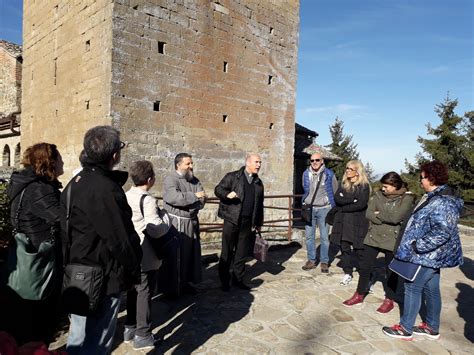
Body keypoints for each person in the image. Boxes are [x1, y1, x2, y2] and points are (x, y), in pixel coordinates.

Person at [61, 126, 142, 354]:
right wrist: (134, 269)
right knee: (98, 341)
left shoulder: (73, 184)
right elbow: (120, 238)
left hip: (76, 271)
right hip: (104, 276)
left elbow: (64, 232)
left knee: (77, 337)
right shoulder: (106, 189)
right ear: (114, 155)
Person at [382, 161, 463, 340]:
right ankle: (431, 327)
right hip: (430, 254)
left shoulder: (443, 201)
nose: (420, 181)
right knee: (431, 288)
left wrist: (417, 246)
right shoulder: (433, 196)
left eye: (422, 178)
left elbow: (442, 232)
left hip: (428, 254)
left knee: (412, 286)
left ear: (432, 178)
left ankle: (405, 328)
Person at [1, 143, 64, 345]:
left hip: (22, 252)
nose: (63, 162)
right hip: (38, 259)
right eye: (60, 159)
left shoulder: (22, 183)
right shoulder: (39, 190)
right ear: (50, 162)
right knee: (36, 323)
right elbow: (62, 219)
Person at [342, 172, 414, 312]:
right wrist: (385, 216)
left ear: (395, 185)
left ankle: (390, 298)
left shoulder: (407, 198)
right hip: (373, 236)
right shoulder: (378, 195)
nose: (384, 189)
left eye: (386, 186)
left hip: (392, 238)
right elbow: (369, 213)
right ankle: (360, 293)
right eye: (383, 186)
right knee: (364, 266)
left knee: (391, 270)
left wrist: (379, 214)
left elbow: (397, 217)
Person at [124, 161, 171, 350]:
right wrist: (166, 218)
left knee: (132, 290)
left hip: (131, 250)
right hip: (147, 252)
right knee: (145, 291)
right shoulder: (147, 199)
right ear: (150, 179)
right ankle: (142, 334)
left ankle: (129, 327)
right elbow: (155, 229)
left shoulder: (126, 195)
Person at [215, 153, 264, 291]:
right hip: (232, 220)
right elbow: (218, 189)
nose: (259, 165)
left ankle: (238, 279)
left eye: (260, 162)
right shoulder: (233, 176)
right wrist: (226, 194)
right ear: (247, 162)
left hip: (247, 222)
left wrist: (258, 222)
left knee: (241, 253)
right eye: (256, 162)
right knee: (227, 252)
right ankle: (225, 281)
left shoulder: (258, 182)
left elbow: (260, 204)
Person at [162, 153, 206, 294]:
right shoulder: (171, 179)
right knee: (176, 257)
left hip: (191, 222)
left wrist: (192, 203)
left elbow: (203, 198)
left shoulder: (195, 180)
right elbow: (173, 198)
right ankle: (173, 287)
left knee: (189, 256)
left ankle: (186, 284)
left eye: (191, 163)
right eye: (188, 164)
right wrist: (194, 197)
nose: (191, 166)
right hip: (177, 223)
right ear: (178, 165)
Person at [330, 160, 370, 286]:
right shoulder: (344, 184)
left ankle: (367, 277)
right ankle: (347, 273)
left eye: (350, 169)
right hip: (343, 222)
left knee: (360, 251)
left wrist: (344, 205)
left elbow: (361, 204)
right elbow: (337, 198)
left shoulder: (364, 186)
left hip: (357, 222)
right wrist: (352, 200)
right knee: (345, 249)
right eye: (346, 168)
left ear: (357, 171)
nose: (347, 170)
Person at [301, 153, 337, 273]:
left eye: (317, 160)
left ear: (322, 161)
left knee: (324, 237)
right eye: (312, 160)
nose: (314, 162)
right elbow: (305, 189)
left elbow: (335, 190)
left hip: (324, 209)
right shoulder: (306, 174)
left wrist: (332, 207)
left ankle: (324, 261)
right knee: (309, 237)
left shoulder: (329, 174)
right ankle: (311, 260)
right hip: (309, 209)